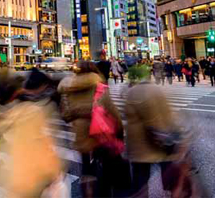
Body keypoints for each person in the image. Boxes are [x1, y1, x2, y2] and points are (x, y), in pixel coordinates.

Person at [58, 61, 124, 197]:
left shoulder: (69, 87)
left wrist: (79, 113)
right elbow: (111, 109)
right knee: (104, 166)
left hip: (81, 133)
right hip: (100, 132)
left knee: (87, 168)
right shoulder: (99, 84)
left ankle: (88, 192)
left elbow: (65, 115)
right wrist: (119, 129)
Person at [125, 70, 183, 198]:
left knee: (140, 180)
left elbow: (147, 118)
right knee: (170, 174)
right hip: (163, 140)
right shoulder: (157, 89)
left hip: (141, 144)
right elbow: (167, 113)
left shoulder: (132, 93)